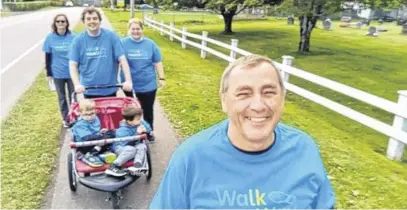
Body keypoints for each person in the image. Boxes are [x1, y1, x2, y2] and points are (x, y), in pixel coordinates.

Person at [149, 54, 336, 209]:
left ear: (282, 98)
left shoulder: (304, 149)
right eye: (244, 94)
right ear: (224, 101)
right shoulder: (191, 157)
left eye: (269, 92)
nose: (258, 105)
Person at [68, 7, 133, 98]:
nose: (92, 21)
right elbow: (72, 64)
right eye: (88, 19)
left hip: (110, 88)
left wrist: (128, 81)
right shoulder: (78, 41)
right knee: (92, 113)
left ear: (100, 20)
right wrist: (77, 84)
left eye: (95, 18)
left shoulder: (111, 36)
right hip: (88, 89)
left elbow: (122, 59)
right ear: (84, 22)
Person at [121, 18, 165, 135]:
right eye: (133, 29)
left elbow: (157, 62)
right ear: (129, 30)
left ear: (142, 30)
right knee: (132, 110)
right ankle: (133, 132)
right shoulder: (122, 43)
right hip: (129, 84)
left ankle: (149, 131)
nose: (136, 31)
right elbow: (117, 61)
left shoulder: (150, 44)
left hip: (148, 83)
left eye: (138, 29)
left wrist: (161, 78)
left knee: (147, 109)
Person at [42, 14, 76, 128]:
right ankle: (66, 118)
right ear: (55, 23)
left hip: (72, 73)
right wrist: (48, 73)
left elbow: (78, 56)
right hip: (57, 73)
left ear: (67, 23)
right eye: (58, 21)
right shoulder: (49, 38)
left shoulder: (73, 37)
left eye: (63, 21)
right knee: (61, 97)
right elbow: (47, 56)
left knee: (73, 96)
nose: (60, 23)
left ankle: (74, 117)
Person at [105, 105, 153, 177]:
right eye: (138, 119)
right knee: (131, 149)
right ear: (129, 121)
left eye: (140, 118)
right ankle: (114, 166)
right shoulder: (122, 130)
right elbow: (127, 143)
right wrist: (137, 134)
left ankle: (137, 165)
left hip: (134, 144)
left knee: (142, 146)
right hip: (121, 146)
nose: (140, 120)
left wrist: (146, 129)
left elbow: (149, 129)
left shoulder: (139, 123)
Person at [72, 99, 115, 167]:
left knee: (111, 132)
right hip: (85, 145)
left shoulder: (95, 118)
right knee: (103, 139)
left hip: (96, 141)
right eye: (86, 114)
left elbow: (96, 131)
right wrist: (100, 136)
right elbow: (87, 137)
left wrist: (101, 132)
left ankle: (99, 153)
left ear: (95, 111)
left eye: (92, 113)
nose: (90, 116)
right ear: (80, 113)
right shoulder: (80, 124)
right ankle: (88, 155)